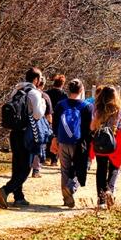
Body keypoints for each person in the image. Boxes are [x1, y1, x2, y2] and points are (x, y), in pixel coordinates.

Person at [0, 67, 47, 209]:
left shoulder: (17, 90)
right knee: (25, 168)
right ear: (36, 79)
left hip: (14, 132)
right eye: (40, 78)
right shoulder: (35, 93)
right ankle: (6, 190)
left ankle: (19, 197)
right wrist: (42, 103)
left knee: (16, 165)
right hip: (27, 133)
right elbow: (37, 114)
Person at [51, 79, 93, 209]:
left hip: (63, 141)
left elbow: (55, 123)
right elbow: (88, 128)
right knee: (82, 168)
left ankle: (66, 198)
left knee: (65, 169)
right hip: (79, 143)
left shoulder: (60, 105)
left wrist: (55, 139)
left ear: (68, 90)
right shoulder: (87, 106)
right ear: (81, 90)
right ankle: (71, 188)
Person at [90, 86, 121, 209]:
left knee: (101, 169)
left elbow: (92, 127)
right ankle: (110, 190)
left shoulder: (97, 109)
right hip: (116, 139)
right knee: (115, 167)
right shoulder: (120, 109)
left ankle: (101, 200)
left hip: (101, 139)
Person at [31, 75, 53, 179]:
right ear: (43, 85)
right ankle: (36, 169)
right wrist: (50, 126)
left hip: (27, 123)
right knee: (39, 146)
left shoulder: (28, 94)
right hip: (40, 124)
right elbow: (48, 114)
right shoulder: (44, 96)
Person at [44, 74, 67, 165]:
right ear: (62, 84)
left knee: (48, 137)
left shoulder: (47, 93)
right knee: (57, 137)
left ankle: (47, 157)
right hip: (59, 118)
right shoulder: (64, 95)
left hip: (48, 116)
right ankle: (54, 159)